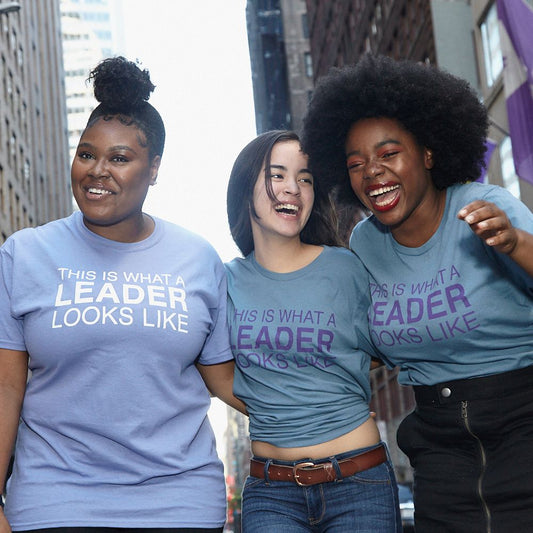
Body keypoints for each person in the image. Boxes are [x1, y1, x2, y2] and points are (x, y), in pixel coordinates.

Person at [0, 56, 243, 532]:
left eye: (119, 158)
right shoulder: (25, 254)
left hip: (181, 502)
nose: (97, 171)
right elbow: (6, 388)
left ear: (154, 169)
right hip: (54, 501)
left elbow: (225, 380)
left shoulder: (197, 258)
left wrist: (330, 388)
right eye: (87, 154)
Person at [301, 53, 533, 533]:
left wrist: (515, 243)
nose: (373, 173)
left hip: (524, 424)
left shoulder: (485, 207)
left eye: (389, 154)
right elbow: (364, 346)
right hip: (439, 447)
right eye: (357, 164)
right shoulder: (364, 243)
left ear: (428, 154)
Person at [225, 130, 402, 532]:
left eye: (304, 178)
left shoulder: (347, 267)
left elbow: (386, 345)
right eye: (277, 175)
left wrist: (332, 394)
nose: (292, 188)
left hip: (360, 481)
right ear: (244, 189)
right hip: (272, 492)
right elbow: (216, 372)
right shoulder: (225, 282)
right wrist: (284, 404)